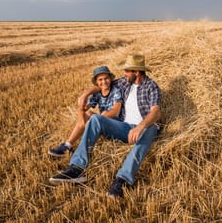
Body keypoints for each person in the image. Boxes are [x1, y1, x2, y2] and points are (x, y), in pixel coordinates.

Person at [49, 54, 162, 198]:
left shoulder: (151, 87)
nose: (124, 73)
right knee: (96, 118)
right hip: (124, 127)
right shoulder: (125, 82)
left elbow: (156, 112)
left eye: (127, 71)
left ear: (136, 72)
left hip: (145, 127)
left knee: (150, 129)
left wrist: (140, 126)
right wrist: (86, 94)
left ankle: (122, 180)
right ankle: (76, 168)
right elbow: (103, 85)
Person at [48, 66, 123, 157]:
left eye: (106, 78)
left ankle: (81, 152)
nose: (104, 82)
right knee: (86, 114)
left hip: (116, 126)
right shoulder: (98, 93)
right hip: (102, 123)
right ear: (96, 82)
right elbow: (83, 108)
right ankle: (67, 145)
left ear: (110, 78)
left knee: (92, 116)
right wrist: (81, 119)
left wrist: (100, 117)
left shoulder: (116, 91)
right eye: (100, 79)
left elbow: (116, 111)